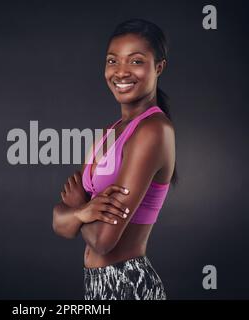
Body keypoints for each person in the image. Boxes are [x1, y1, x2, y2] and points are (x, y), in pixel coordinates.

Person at [52, 18, 178, 300]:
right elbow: (58, 223)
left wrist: (77, 208)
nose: (121, 72)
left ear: (158, 67)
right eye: (112, 60)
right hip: (98, 284)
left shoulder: (154, 130)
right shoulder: (110, 133)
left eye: (135, 61)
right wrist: (83, 213)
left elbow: (103, 240)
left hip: (128, 285)